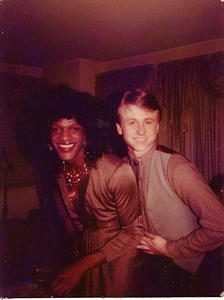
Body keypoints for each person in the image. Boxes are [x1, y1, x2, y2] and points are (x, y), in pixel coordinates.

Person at [16, 84, 144, 297]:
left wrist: (81, 265)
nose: (64, 137)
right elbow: (70, 221)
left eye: (74, 128)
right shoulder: (59, 170)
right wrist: (75, 249)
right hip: (85, 256)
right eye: (56, 128)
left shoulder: (117, 172)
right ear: (47, 136)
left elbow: (134, 232)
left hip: (120, 258)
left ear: (87, 134)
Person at [104, 88, 224, 297]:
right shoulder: (120, 169)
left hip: (193, 273)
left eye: (148, 122)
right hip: (150, 271)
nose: (141, 130)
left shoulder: (176, 168)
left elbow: (220, 226)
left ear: (157, 126)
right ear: (119, 128)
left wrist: (170, 248)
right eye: (132, 122)